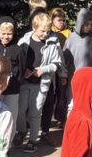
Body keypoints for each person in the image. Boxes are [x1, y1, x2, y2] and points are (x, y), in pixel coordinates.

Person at [18, 10, 62, 146]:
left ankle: (33, 140)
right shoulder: (24, 41)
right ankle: (21, 132)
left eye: (48, 31)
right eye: (42, 31)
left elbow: (57, 64)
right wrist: (23, 70)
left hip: (41, 84)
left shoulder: (52, 43)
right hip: (24, 83)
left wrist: (43, 70)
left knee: (35, 112)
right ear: (34, 27)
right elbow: (17, 60)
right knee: (21, 111)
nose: (45, 34)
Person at [0, 17, 29, 151]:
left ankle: (6, 146)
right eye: (3, 33)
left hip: (12, 90)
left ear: (14, 33)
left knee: (10, 117)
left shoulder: (18, 50)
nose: (6, 37)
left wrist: (14, 78)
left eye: (9, 34)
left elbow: (22, 69)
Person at [66, 7, 92, 77]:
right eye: (86, 24)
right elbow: (66, 58)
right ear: (80, 23)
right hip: (74, 75)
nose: (89, 27)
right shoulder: (72, 38)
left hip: (90, 75)